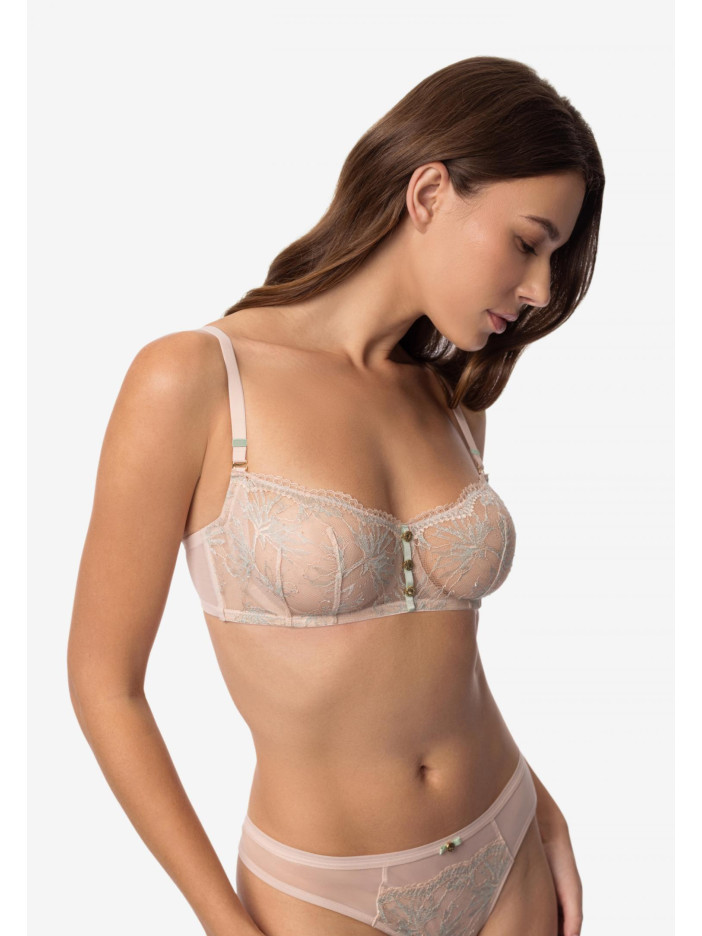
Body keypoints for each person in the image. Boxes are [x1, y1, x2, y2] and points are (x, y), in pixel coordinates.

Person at [67, 55, 603, 936]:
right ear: (428, 193)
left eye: (554, 258)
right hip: (322, 896)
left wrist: (540, 804)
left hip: (508, 853)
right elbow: (104, 684)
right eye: (527, 241)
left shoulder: (452, 400)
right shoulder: (197, 381)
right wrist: (222, 921)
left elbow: (444, 654)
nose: (540, 289)